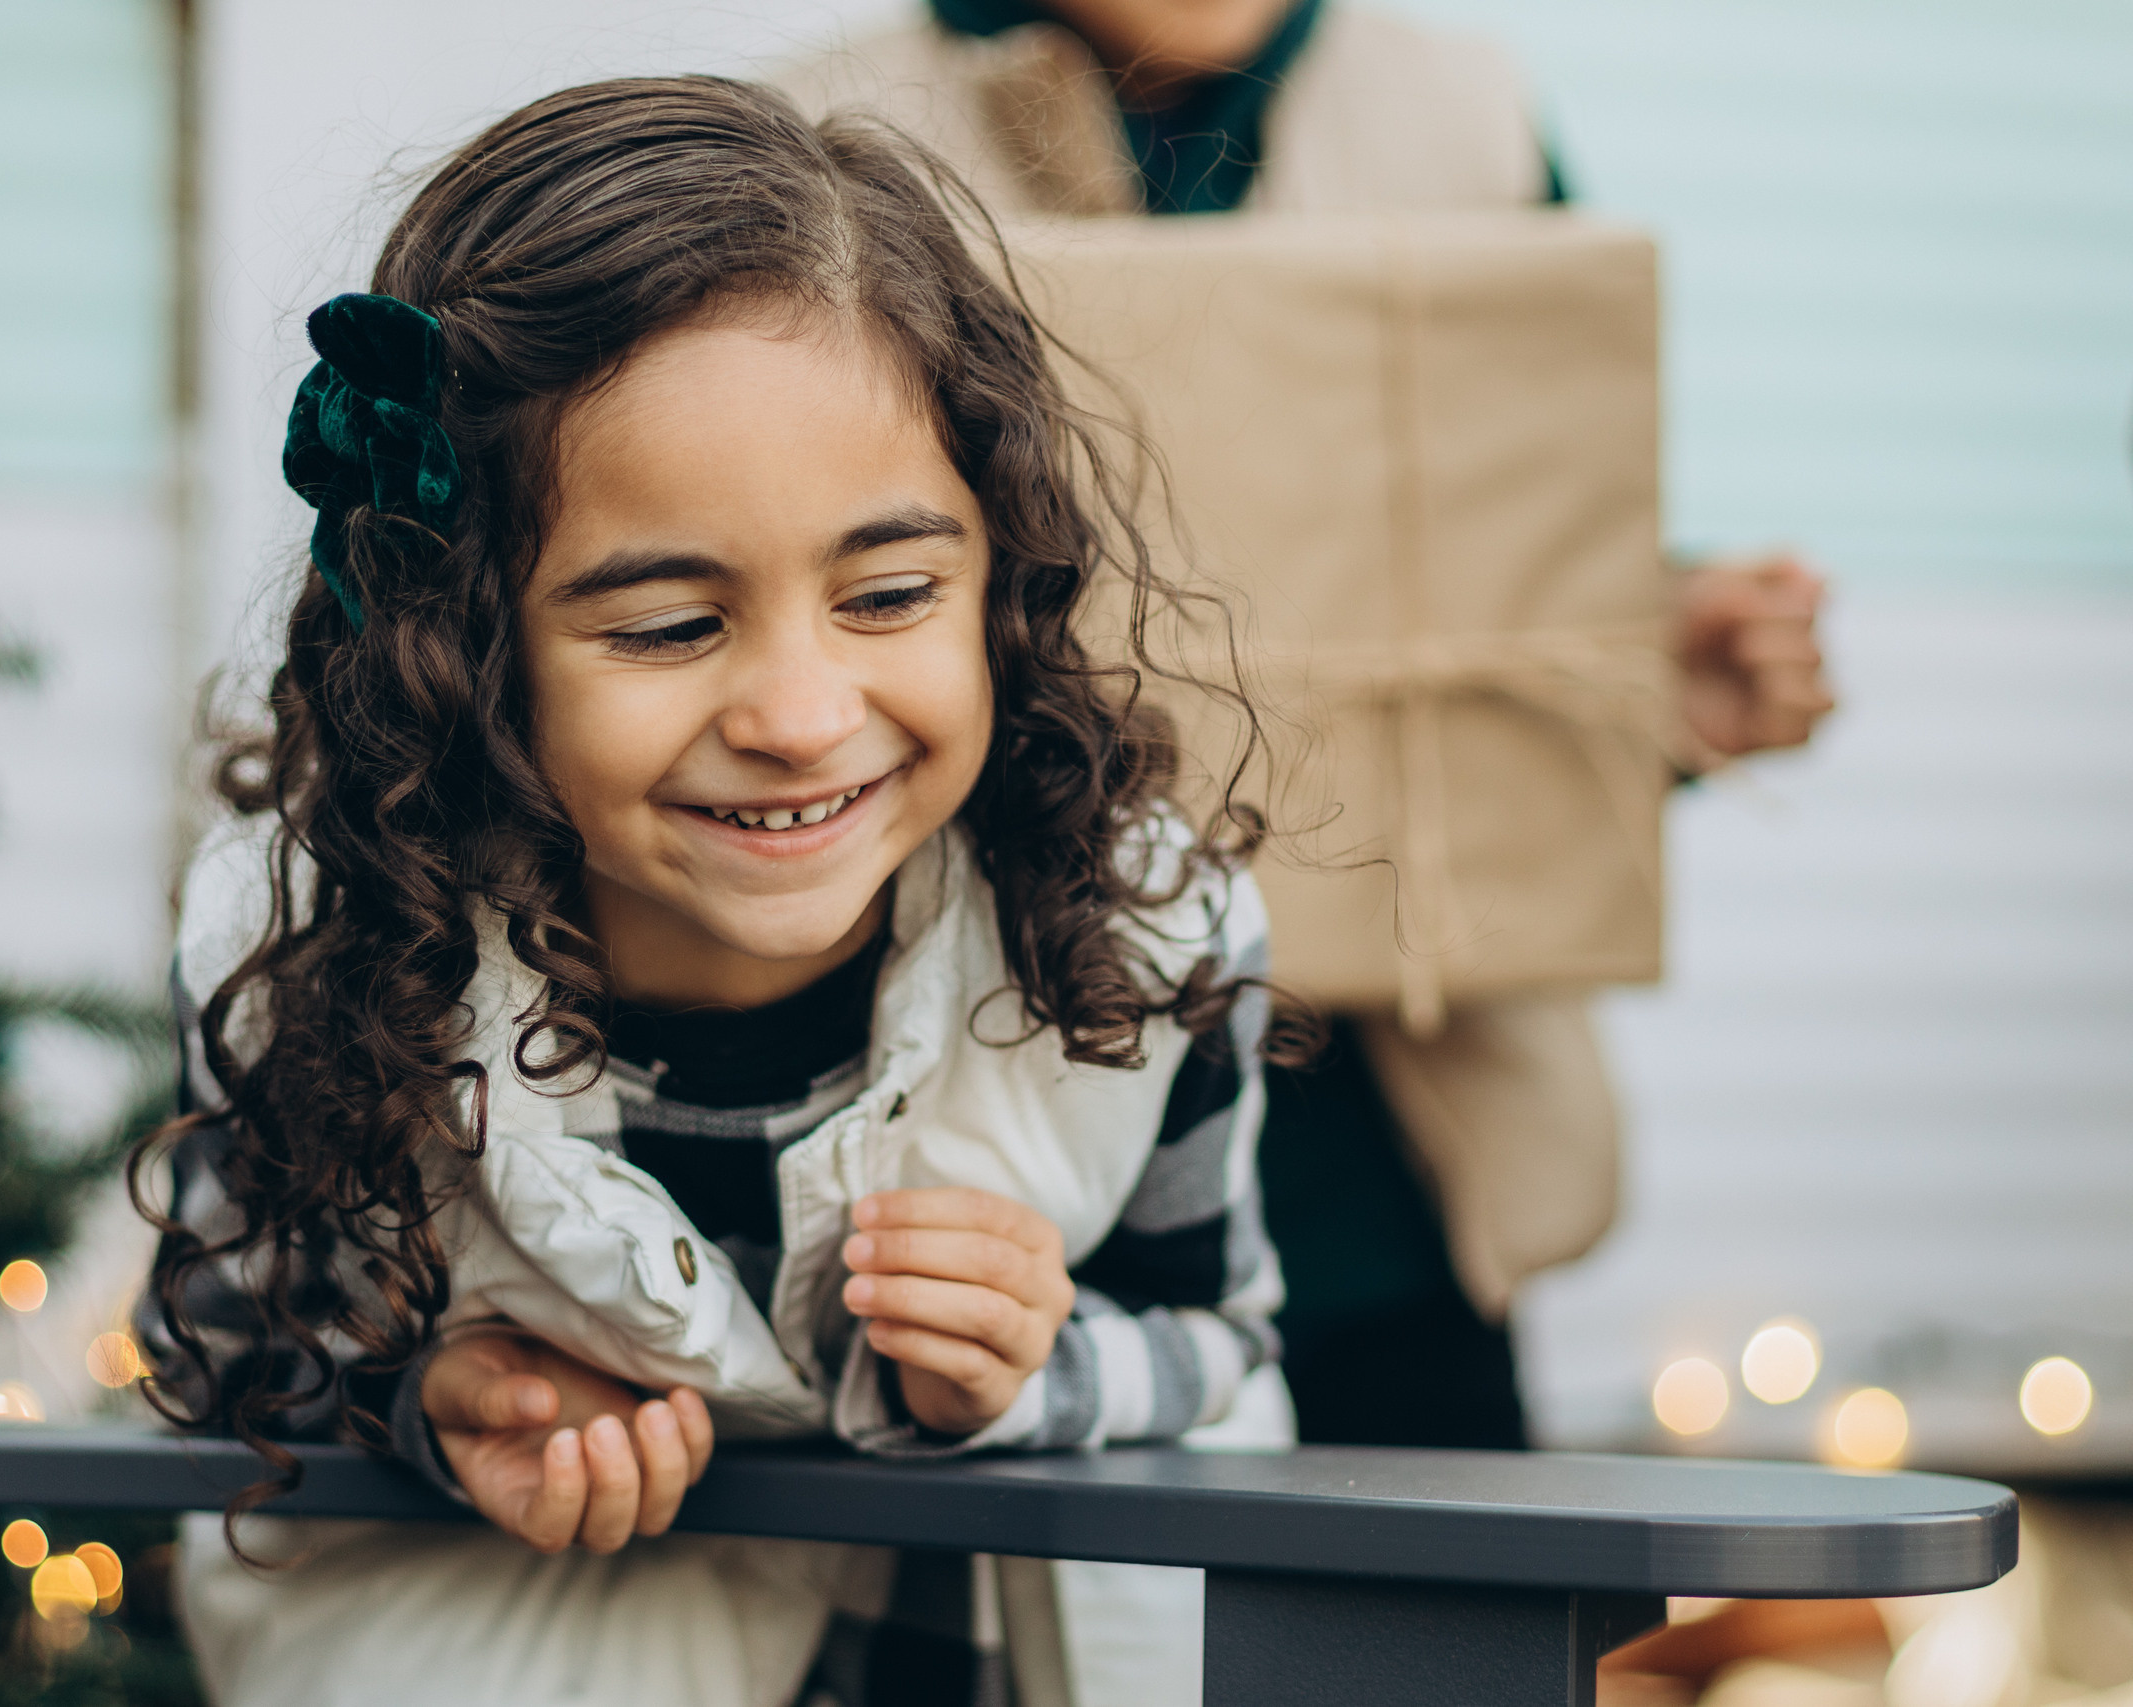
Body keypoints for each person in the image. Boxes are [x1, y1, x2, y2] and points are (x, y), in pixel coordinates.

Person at [132, 75, 1296, 1707]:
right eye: (672, 627)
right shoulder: (312, 945)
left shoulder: (1137, 935)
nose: (802, 717)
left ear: (1000, 570)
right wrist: (434, 1398)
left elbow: (1221, 1339)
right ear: (461, 645)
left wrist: (1045, 1370)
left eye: (889, 594)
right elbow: (237, 1351)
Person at [775, 0, 1836, 1454]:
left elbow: (1517, 548)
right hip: (981, 1142)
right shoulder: (817, 130)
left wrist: (1654, 683)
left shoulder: (1460, 113)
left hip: (1394, 1180)